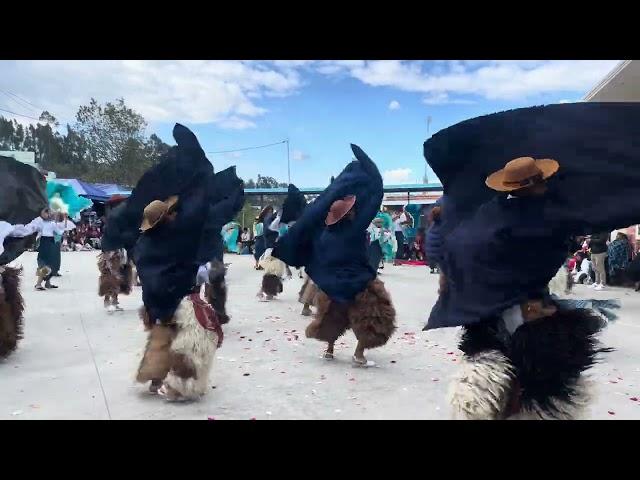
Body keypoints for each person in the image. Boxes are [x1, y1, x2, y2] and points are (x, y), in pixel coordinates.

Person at [100, 124, 243, 401]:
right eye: (171, 212)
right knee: (189, 341)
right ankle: (179, 383)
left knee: (161, 335)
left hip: (157, 300)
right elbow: (203, 210)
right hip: (177, 297)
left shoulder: (146, 242)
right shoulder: (177, 233)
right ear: (166, 217)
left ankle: (155, 379)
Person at [274, 144, 396, 367]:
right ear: (350, 213)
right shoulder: (354, 228)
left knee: (331, 314)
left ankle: (329, 350)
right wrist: (372, 171)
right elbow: (376, 197)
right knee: (374, 314)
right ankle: (358, 355)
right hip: (358, 281)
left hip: (332, 284)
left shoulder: (323, 233)